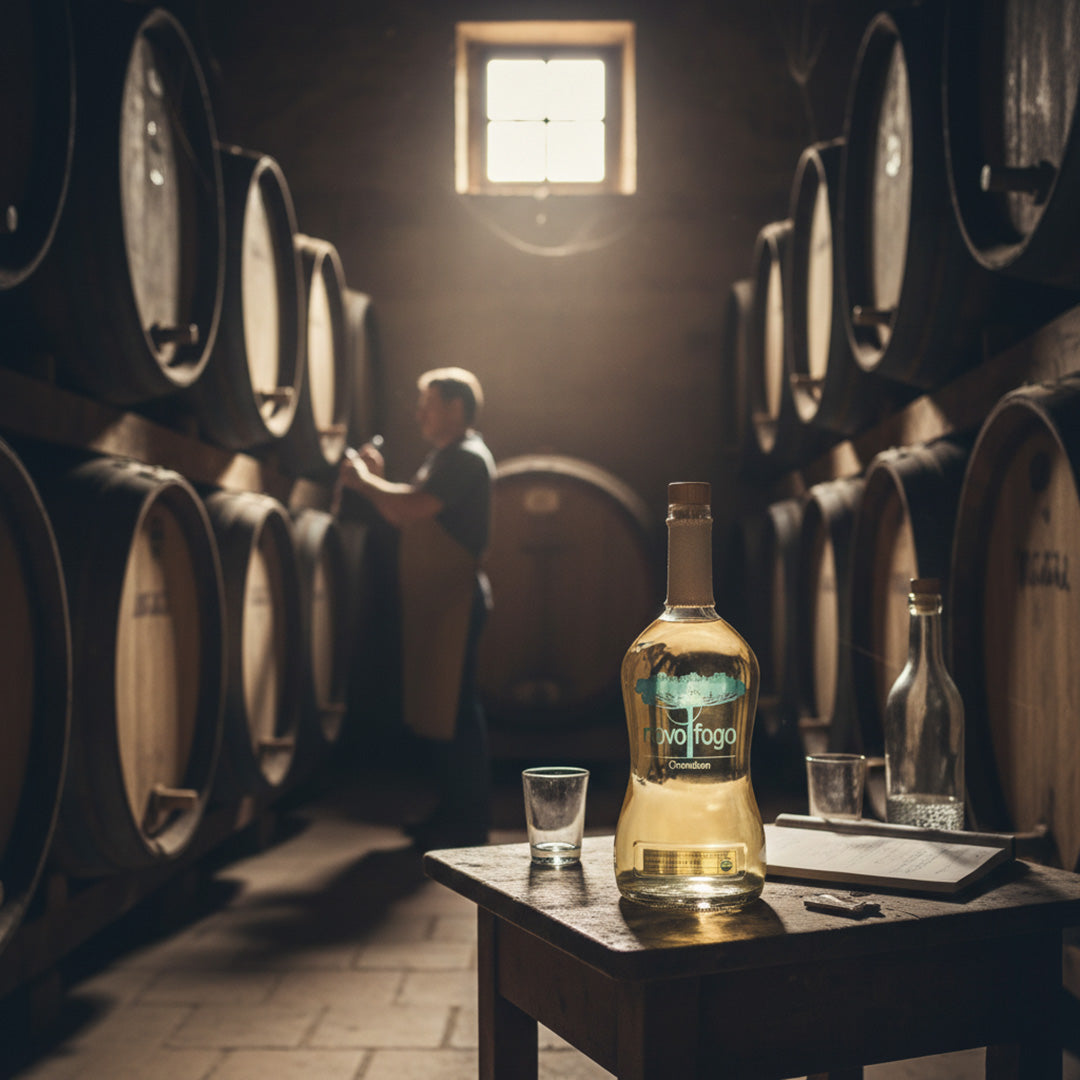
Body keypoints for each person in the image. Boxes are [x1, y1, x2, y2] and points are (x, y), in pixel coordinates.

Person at [336, 367, 495, 850]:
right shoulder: (446, 456)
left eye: (427, 402)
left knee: (459, 709)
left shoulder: (465, 457)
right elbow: (404, 514)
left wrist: (363, 480)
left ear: (455, 406)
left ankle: (467, 818)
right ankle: (453, 809)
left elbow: (413, 506)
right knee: (444, 707)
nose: (419, 412)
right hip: (439, 597)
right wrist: (375, 482)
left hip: (456, 596)